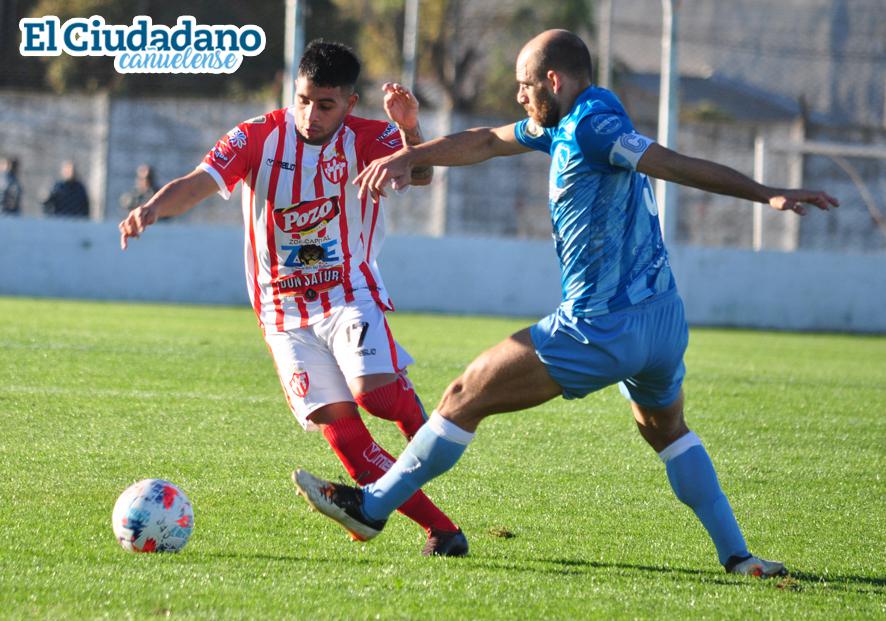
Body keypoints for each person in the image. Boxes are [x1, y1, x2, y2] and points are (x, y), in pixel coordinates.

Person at [293, 30, 840, 576]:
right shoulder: (573, 117)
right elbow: (486, 140)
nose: (519, 97)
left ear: (553, 81)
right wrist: (410, 154)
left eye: (524, 85)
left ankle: (372, 506)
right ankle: (739, 556)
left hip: (600, 326)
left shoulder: (594, 128)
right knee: (666, 431)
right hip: (663, 323)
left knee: (464, 394)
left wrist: (766, 192)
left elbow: (672, 164)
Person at [119, 40, 467, 557]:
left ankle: (426, 427)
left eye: (325, 104)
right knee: (343, 432)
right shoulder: (257, 136)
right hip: (282, 313)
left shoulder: (370, 137)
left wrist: (411, 130)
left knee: (373, 394)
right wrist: (152, 208)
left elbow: (420, 172)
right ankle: (442, 532)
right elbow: (199, 181)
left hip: (349, 292)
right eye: (304, 99)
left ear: (349, 102)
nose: (310, 113)